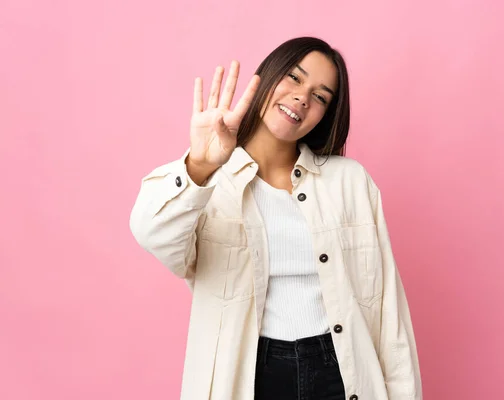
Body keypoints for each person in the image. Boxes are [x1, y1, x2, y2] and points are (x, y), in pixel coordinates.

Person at [130, 36, 422, 400]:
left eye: (320, 96)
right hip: (249, 374)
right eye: (295, 78)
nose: (303, 97)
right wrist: (200, 165)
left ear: (325, 115)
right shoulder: (208, 181)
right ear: (267, 77)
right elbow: (151, 233)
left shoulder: (350, 182)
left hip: (342, 369)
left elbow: (386, 311)